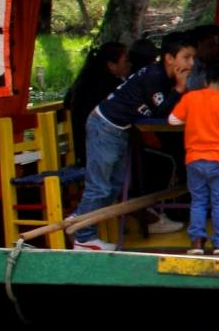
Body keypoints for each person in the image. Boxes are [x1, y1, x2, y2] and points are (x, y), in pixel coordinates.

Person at [72, 33, 196, 251]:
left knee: (116, 184)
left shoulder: (165, 78)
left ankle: (81, 219)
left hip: (119, 130)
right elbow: (160, 114)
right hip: (105, 127)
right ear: (169, 58)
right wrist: (179, 89)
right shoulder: (154, 76)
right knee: (100, 187)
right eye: (186, 57)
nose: (191, 63)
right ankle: (83, 237)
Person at [169, 57, 219, 254]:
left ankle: (197, 243)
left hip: (194, 159)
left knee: (198, 201)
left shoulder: (190, 97)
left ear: (205, 81)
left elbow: (173, 120)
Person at [62, 41, 129, 164]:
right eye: (125, 61)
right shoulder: (110, 85)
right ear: (111, 65)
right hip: (96, 147)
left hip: (80, 145)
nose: (129, 65)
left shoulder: (84, 79)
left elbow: (66, 102)